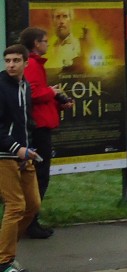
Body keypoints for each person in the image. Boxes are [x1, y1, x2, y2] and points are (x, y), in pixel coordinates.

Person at [19, 26, 74, 239]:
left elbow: (37, 93)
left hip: (40, 125)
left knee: (37, 175)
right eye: (44, 40)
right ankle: (30, 222)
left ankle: (29, 220)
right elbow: (32, 93)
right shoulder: (32, 64)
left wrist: (58, 101)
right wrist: (51, 92)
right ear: (35, 44)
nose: (47, 44)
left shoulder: (34, 64)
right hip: (38, 128)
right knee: (39, 176)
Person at [0, 43, 41, 272]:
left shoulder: (24, 85)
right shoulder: (1, 86)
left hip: (25, 154)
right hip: (5, 154)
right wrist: (17, 148)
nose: (11, 65)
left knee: (32, 206)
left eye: (16, 60)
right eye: (7, 61)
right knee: (15, 205)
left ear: (26, 63)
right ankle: (4, 261)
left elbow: (25, 121)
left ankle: (2, 250)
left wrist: (28, 149)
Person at [48, 6, 83, 73]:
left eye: (65, 16)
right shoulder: (48, 48)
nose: (61, 21)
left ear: (71, 20)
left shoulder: (80, 46)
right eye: (58, 17)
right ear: (53, 21)